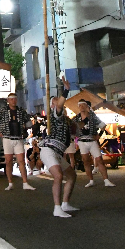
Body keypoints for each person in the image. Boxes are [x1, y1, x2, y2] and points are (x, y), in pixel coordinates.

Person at [39, 82, 78, 218]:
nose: (58, 101)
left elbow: (80, 129)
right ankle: (57, 208)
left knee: (72, 176)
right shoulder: (56, 115)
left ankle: (65, 203)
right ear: (52, 106)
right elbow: (60, 105)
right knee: (58, 176)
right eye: (54, 100)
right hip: (49, 149)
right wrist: (66, 90)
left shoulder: (67, 120)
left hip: (58, 152)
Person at [0, 92, 35, 191]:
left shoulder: (21, 111)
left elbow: (28, 123)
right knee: (8, 161)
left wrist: (26, 130)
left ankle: (25, 182)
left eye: (15, 99)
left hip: (18, 138)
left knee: (21, 160)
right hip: (7, 138)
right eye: (11, 99)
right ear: (8, 101)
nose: (13, 101)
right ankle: (10, 183)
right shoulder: (2, 110)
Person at [69, 100, 115, 188]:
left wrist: (99, 135)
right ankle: (91, 180)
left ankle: (106, 180)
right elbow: (73, 129)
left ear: (87, 106)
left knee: (99, 160)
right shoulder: (76, 118)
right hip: (82, 142)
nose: (82, 107)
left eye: (83, 105)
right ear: (78, 107)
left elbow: (103, 125)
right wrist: (75, 137)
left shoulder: (93, 117)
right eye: (80, 105)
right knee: (86, 161)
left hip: (92, 141)